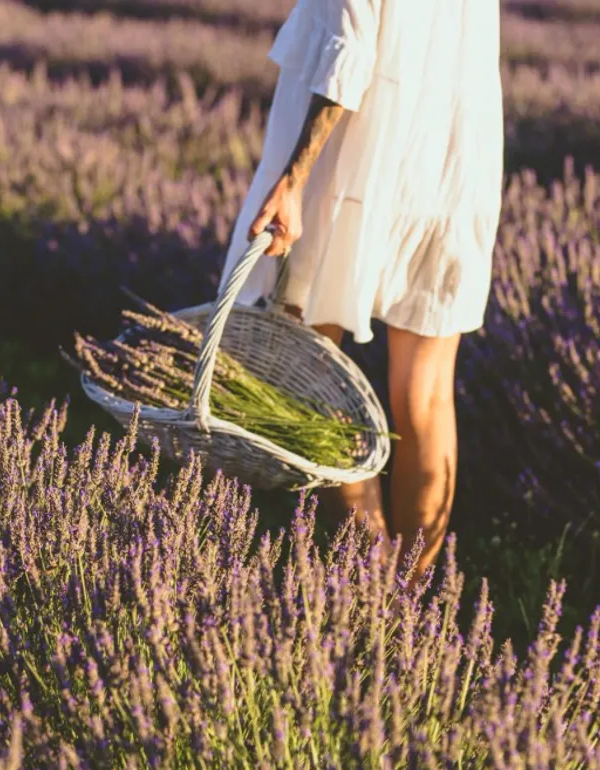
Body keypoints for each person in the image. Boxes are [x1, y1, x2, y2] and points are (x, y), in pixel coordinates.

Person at [221, 0, 504, 583]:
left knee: (315, 369)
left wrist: (294, 180)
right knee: (426, 392)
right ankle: (411, 601)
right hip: (452, 158)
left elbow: (345, 53)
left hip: (353, 166)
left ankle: (373, 582)